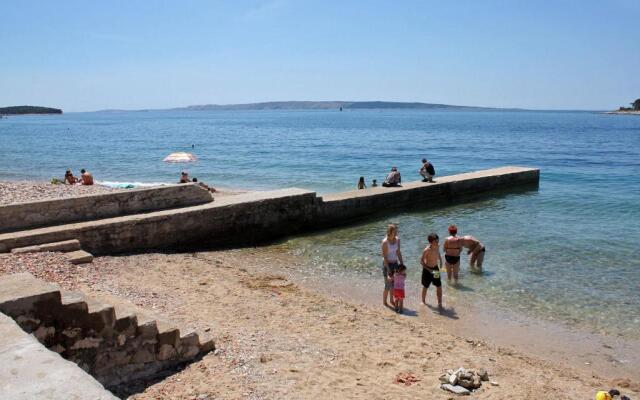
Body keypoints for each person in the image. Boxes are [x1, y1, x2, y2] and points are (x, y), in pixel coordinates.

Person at [381, 224, 403, 308]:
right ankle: (384, 302)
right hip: (387, 264)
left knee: (394, 285)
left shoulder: (397, 240)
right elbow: (384, 257)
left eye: (397, 231)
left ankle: (391, 300)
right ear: (390, 232)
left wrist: (401, 264)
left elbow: (398, 252)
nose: (397, 233)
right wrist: (388, 269)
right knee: (387, 285)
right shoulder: (385, 242)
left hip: (395, 264)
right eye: (395, 232)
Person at [420, 232, 443, 308]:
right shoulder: (427, 250)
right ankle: (423, 301)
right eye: (435, 241)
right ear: (431, 242)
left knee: (439, 285)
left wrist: (441, 261)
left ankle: (440, 303)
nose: (437, 242)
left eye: (438, 241)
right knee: (425, 286)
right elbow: (421, 261)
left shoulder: (437, 246)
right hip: (427, 270)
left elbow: (438, 253)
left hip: (435, 269)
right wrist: (428, 269)